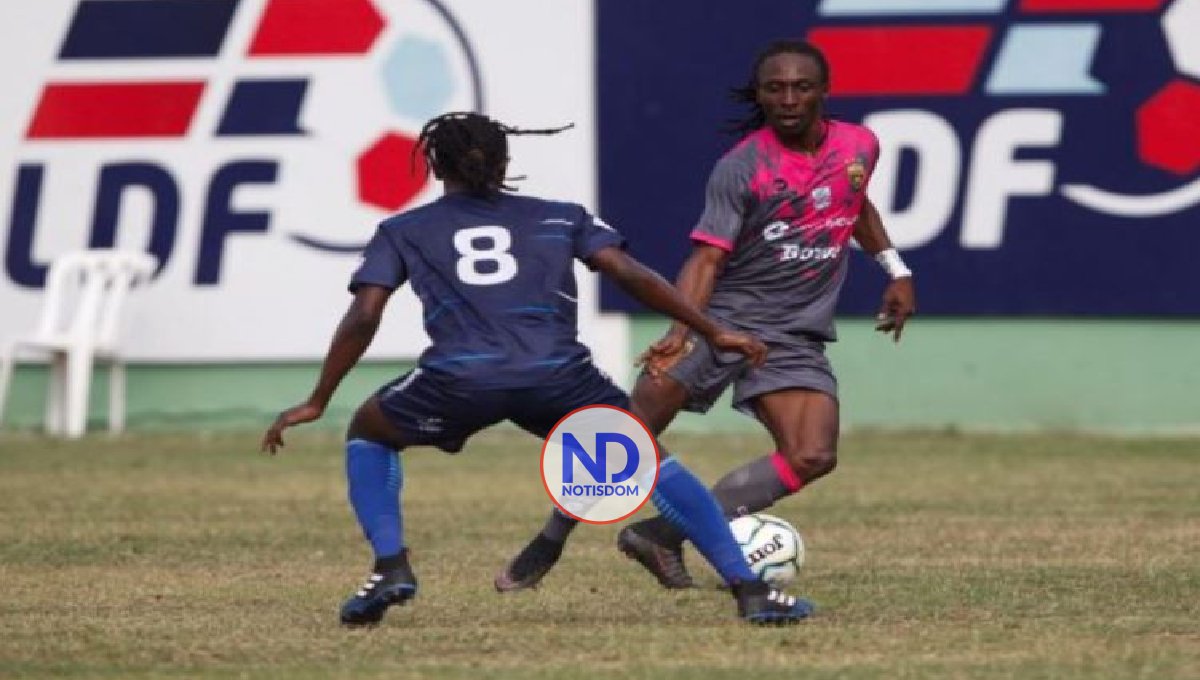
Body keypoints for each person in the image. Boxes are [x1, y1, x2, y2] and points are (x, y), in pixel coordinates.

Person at [260, 111, 816, 626]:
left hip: (460, 378)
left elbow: (364, 314)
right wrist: (709, 328)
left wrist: (318, 399)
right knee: (647, 461)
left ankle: (391, 566)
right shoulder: (559, 216)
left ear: (434, 167)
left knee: (369, 431)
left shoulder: (404, 230)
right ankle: (750, 589)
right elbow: (628, 272)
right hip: (557, 377)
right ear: (505, 164)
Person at [497, 39, 916, 590]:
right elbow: (707, 258)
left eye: (801, 87)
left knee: (812, 454)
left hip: (794, 332)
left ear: (824, 91)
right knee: (630, 431)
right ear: (760, 95)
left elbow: (851, 201)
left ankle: (661, 535)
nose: (788, 98)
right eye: (775, 88)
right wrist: (681, 331)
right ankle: (551, 538)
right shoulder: (743, 167)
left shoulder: (860, 145)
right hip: (721, 319)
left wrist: (894, 267)